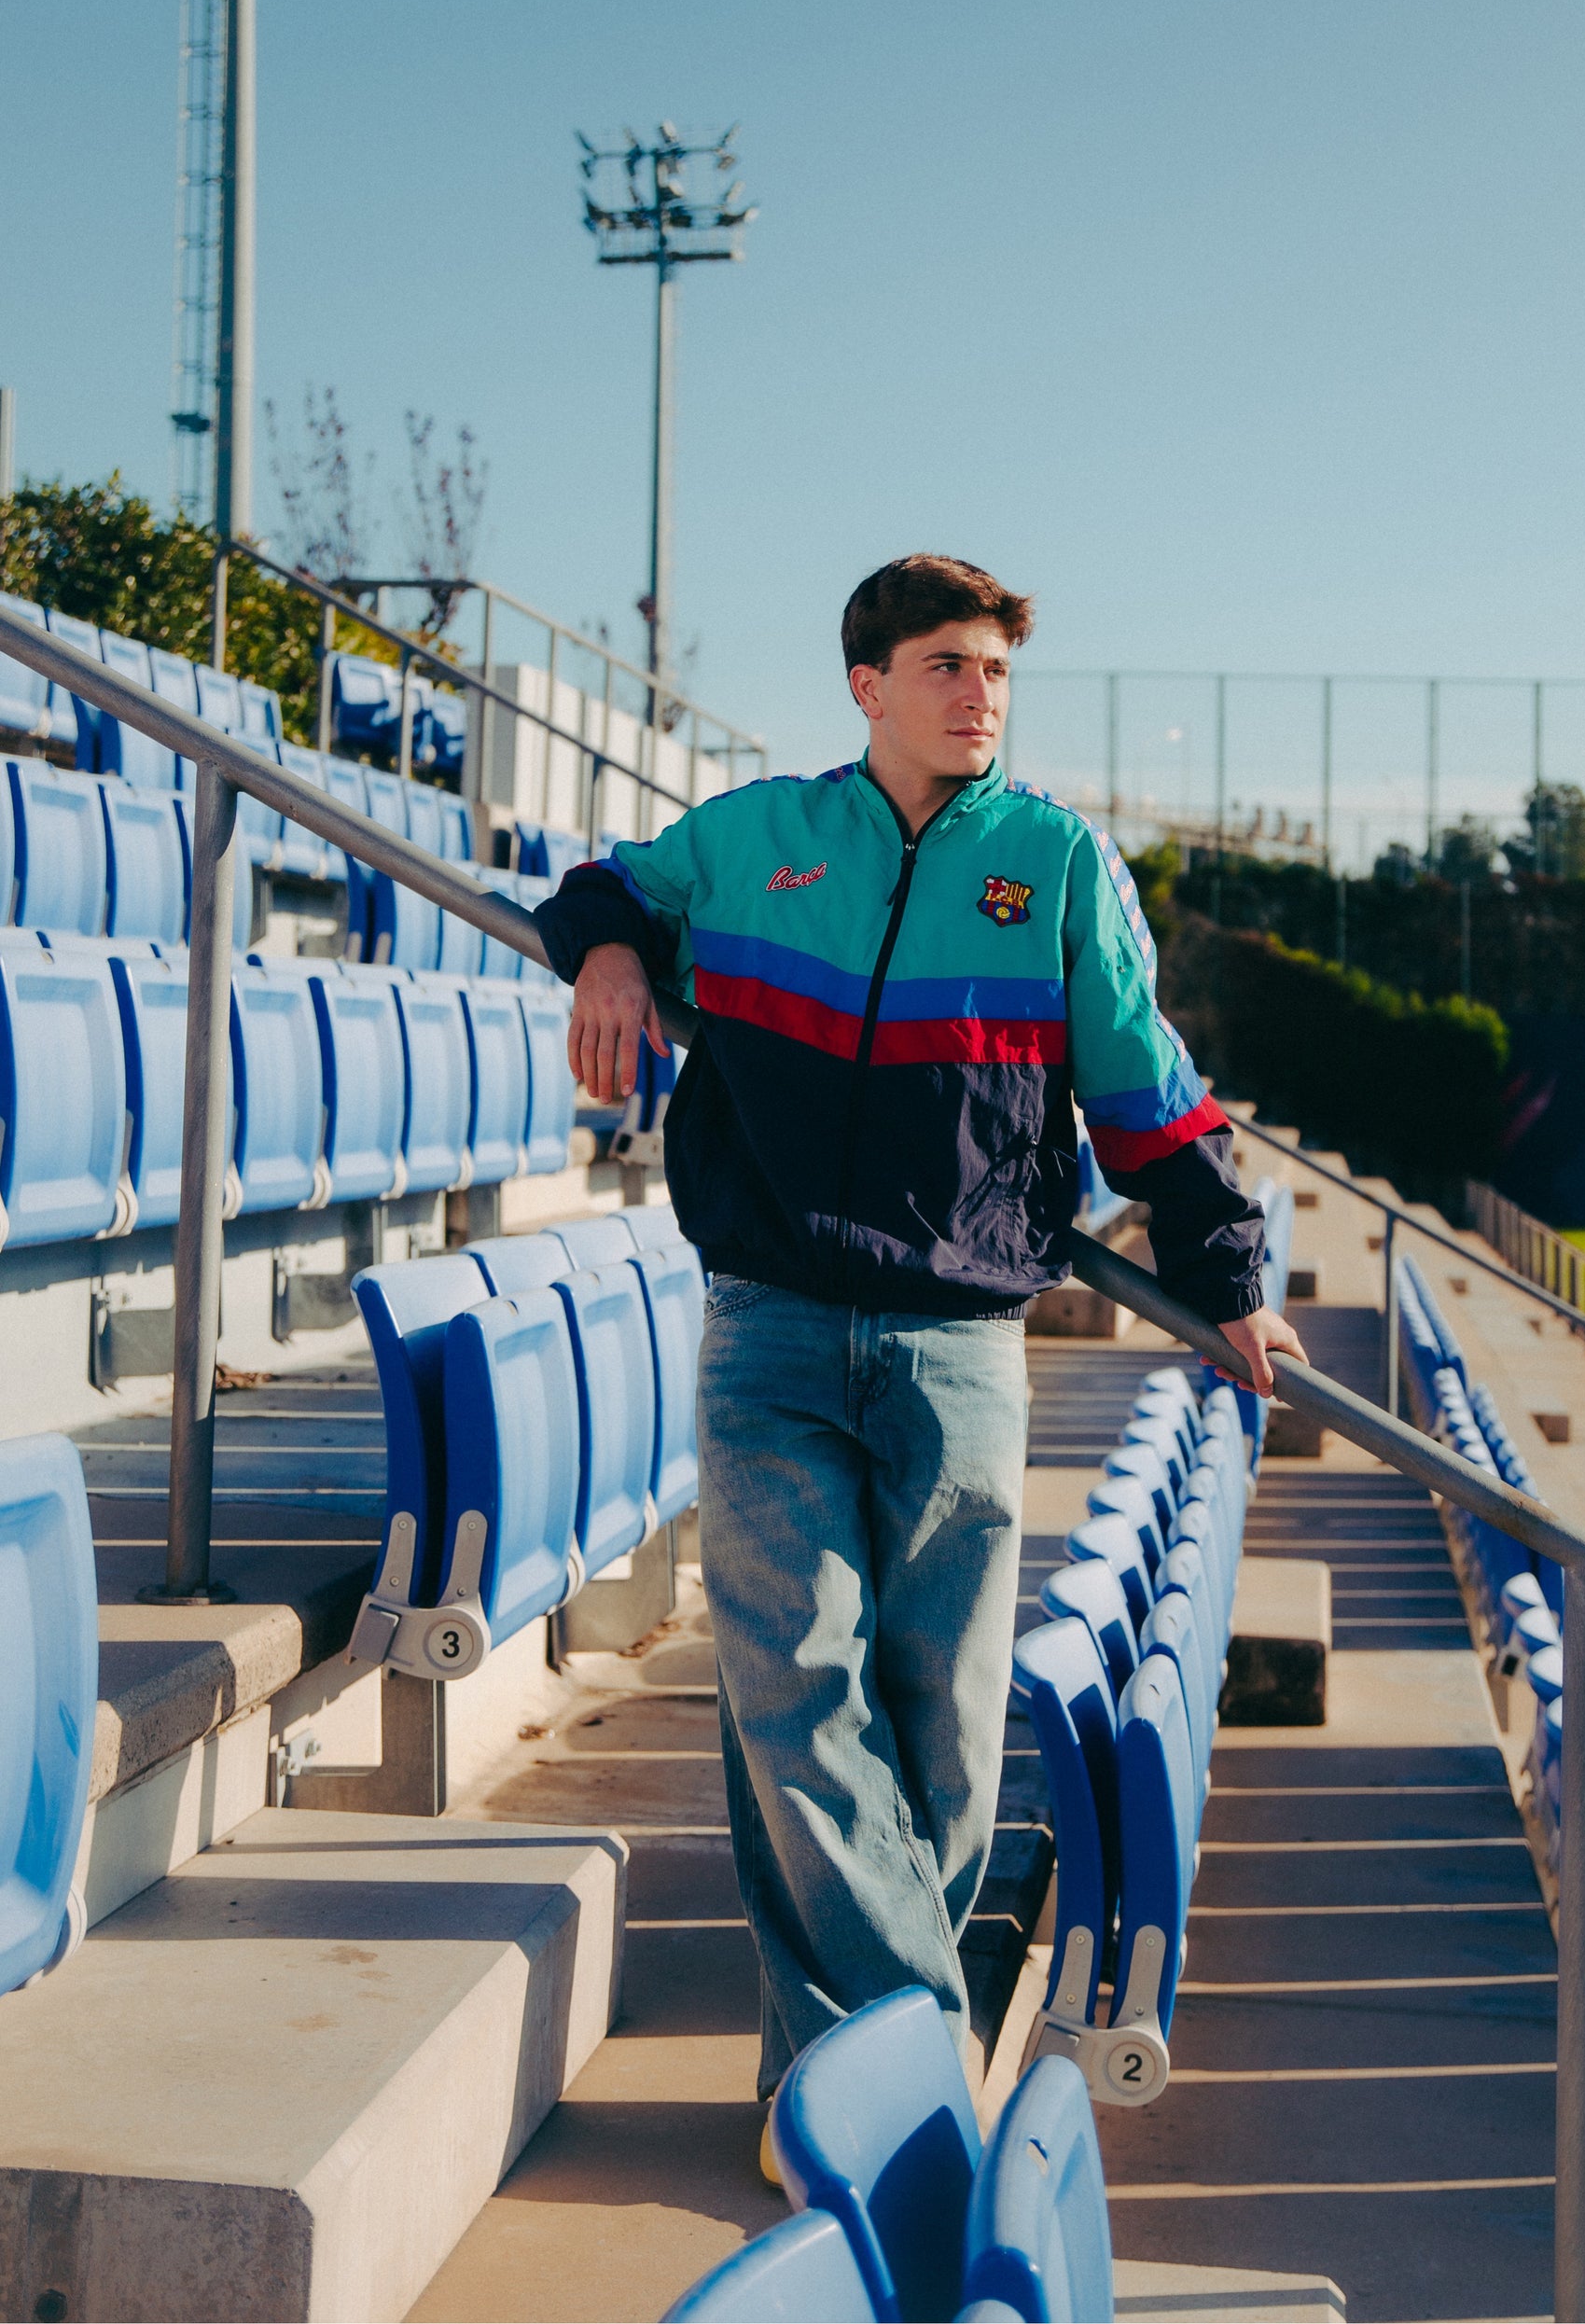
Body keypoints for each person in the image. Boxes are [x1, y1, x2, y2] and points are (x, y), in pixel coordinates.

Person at [535, 553, 1305, 2157]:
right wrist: (607, 956)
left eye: (996, 674)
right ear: (867, 684)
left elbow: (1144, 1089)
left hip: (961, 1336)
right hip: (771, 1327)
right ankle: (905, 2067)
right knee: (793, 1693)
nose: (979, 696)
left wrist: (1225, 1267)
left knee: (942, 1727)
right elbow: (606, 884)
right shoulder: (757, 839)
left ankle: (818, 2076)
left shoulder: (1055, 862)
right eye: (947, 666)